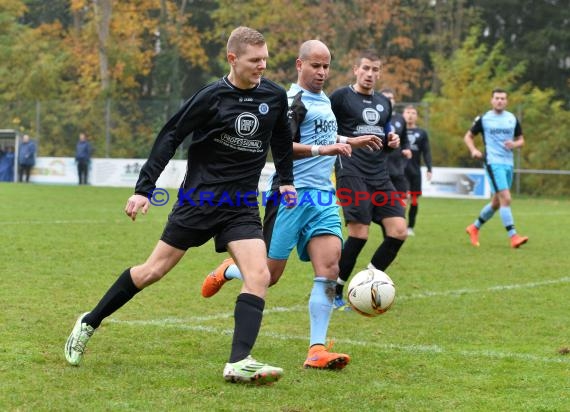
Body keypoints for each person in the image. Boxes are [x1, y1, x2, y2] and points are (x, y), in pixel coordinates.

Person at [64, 26, 297, 385]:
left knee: (260, 275)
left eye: (265, 58)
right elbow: (171, 135)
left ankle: (238, 362)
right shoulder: (211, 97)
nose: (262, 66)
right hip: (199, 202)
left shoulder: (275, 96)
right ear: (233, 59)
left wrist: (285, 179)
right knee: (151, 272)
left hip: (240, 205)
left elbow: (282, 136)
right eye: (254, 60)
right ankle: (89, 321)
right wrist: (144, 189)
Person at [200, 41, 382, 369]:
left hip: (323, 197)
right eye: (316, 66)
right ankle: (229, 269)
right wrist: (322, 151)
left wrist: (347, 140)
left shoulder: (325, 101)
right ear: (300, 65)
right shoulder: (288, 101)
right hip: (290, 195)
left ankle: (316, 350)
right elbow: (280, 144)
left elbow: (324, 134)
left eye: (326, 66)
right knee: (269, 276)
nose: (322, 73)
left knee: (329, 269)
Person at [329, 50, 405, 310]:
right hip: (351, 171)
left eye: (375, 69)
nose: (370, 74)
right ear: (355, 70)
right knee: (359, 234)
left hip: (379, 174)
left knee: (398, 231)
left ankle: (367, 282)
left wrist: (391, 142)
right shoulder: (340, 97)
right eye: (366, 69)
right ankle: (335, 291)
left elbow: (383, 138)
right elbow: (323, 130)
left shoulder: (385, 102)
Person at [464, 88, 528, 248]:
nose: (500, 101)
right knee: (506, 199)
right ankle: (513, 237)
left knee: (496, 203)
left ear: (506, 101)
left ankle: (474, 227)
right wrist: (473, 150)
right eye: (497, 98)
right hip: (493, 162)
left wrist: (514, 144)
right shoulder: (484, 119)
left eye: (503, 98)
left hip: (508, 163)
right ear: (492, 100)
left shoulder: (512, 118)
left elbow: (521, 140)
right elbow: (468, 136)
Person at [403, 105, 432, 236]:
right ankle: (400, 226)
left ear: (416, 116)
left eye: (413, 113)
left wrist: (429, 168)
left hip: (415, 171)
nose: (410, 115)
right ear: (403, 114)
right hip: (400, 171)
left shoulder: (422, 133)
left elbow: (426, 152)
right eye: (408, 112)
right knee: (403, 199)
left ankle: (410, 227)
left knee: (414, 200)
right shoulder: (398, 130)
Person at [382, 88, 412, 210]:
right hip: (380, 169)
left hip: (397, 168)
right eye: (385, 98)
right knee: (382, 207)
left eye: (390, 98)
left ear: (394, 101)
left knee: (402, 203)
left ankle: (398, 225)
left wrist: (407, 148)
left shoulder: (400, 119)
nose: (388, 101)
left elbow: (405, 140)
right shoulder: (374, 118)